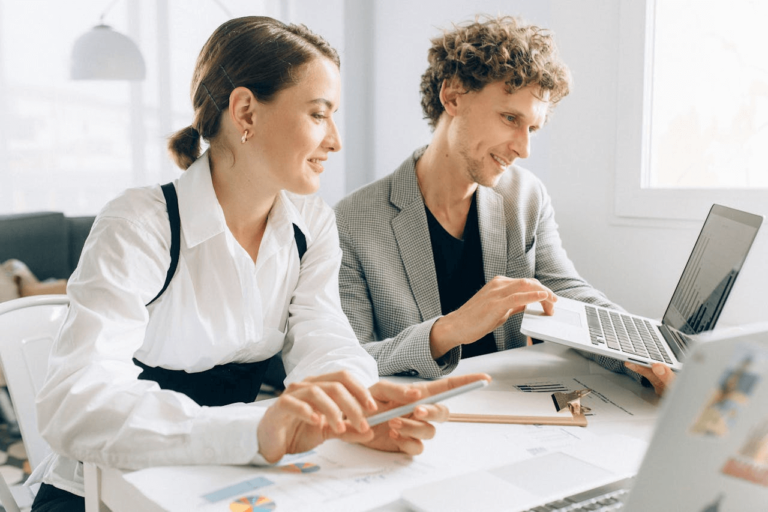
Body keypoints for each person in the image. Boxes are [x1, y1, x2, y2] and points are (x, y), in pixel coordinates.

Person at [30, 17, 487, 512]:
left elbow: (324, 341)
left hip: (220, 481)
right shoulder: (141, 224)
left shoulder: (311, 225)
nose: (336, 141)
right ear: (245, 111)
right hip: (105, 493)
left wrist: (357, 406)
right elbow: (74, 402)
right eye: (318, 114)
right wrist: (252, 429)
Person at [334, 15, 673, 394]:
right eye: (510, 118)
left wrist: (653, 358)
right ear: (453, 96)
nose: (523, 149)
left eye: (532, 129)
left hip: (509, 404)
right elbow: (349, 360)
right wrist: (450, 329)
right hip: (418, 410)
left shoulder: (525, 196)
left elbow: (569, 293)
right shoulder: (352, 221)